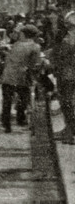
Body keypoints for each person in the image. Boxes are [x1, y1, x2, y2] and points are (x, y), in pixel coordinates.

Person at [0, 25, 41, 133]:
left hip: (8, 76)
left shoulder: (16, 44)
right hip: (22, 77)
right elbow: (35, 63)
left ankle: (6, 123)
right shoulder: (35, 47)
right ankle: (20, 117)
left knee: (7, 101)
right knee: (24, 97)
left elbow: (9, 58)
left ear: (23, 34)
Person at [51, 11, 75, 144]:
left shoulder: (69, 39)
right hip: (69, 74)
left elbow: (62, 57)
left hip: (68, 75)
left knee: (67, 103)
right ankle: (69, 130)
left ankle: (70, 133)